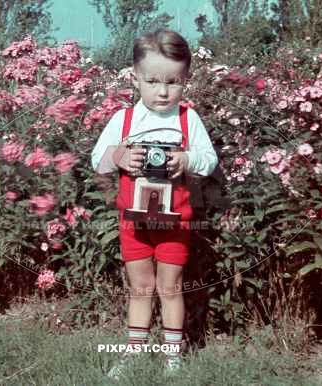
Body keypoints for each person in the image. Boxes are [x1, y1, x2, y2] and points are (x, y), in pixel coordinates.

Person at [91, 28, 218, 378]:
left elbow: (210, 160)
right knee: (140, 288)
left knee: (170, 287)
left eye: (173, 82)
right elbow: (96, 160)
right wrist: (119, 156)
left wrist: (187, 161)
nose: (163, 91)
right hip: (133, 222)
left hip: (174, 223)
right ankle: (133, 354)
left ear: (186, 79)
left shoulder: (187, 118)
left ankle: (172, 357)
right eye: (152, 81)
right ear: (135, 78)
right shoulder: (124, 119)